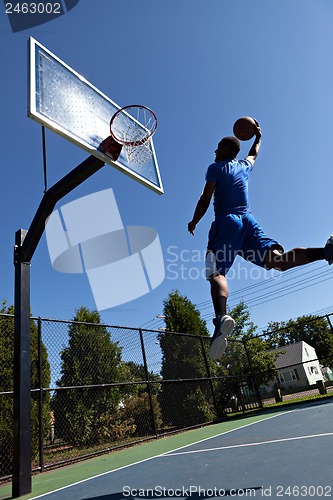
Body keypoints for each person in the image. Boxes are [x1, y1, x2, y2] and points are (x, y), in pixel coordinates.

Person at [188, 119, 333, 360]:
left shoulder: (215, 168)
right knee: (277, 261)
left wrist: (194, 221)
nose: (214, 151)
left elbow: (205, 198)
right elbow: (254, 153)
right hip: (249, 223)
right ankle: (327, 252)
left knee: (216, 273)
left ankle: (222, 317)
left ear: (224, 150)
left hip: (227, 221)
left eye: (217, 148)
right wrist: (258, 137)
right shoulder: (244, 165)